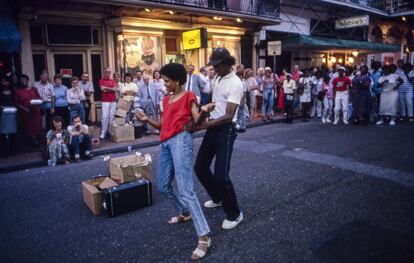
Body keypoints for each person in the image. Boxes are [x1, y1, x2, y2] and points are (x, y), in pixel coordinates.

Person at [136, 63, 214, 261]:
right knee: (163, 186)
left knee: (186, 190)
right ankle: (184, 212)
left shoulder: (189, 96)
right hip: (165, 143)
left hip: (181, 140)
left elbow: (196, 119)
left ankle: (204, 236)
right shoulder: (166, 99)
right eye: (163, 80)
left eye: (167, 81)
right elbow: (162, 124)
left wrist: (204, 109)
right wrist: (146, 119)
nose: (165, 84)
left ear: (178, 81)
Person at [194, 48, 244, 231]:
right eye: (213, 65)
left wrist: (205, 125)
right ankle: (218, 198)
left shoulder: (236, 83)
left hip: (225, 129)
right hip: (213, 126)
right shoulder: (218, 78)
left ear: (226, 64)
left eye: (217, 65)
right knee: (199, 167)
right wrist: (205, 109)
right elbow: (215, 100)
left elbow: (230, 115)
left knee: (221, 176)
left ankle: (235, 213)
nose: (214, 68)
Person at [15, 74, 42, 152]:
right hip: (26, 113)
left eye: (25, 79)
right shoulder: (18, 91)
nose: (23, 81)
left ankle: (40, 146)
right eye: (21, 80)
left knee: (38, 129)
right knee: (28, 130)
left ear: (27, 80)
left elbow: (39, 98)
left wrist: (38, 102)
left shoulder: (34, 89)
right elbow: (16, 103)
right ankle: (29, 148)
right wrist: (24, 109)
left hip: (36, 112)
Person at [0, 75, 18, 156]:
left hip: (12, 114)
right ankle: (4, 152)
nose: (5, 83)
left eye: (7, 81)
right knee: (3, 133)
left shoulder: (13, 92)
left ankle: (13, 150)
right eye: (3, 81)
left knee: (13, 133)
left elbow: (16, 102)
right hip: (3, 114)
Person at [99, 68, 117, 139]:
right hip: (105, 100)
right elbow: (102, 89)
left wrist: (107, 88)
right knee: (105, 117)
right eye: (106, 72)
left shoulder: (112, 81)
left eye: (109, 72)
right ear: (104, 72)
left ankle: (111, 131)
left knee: (112, 117)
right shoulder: (101, 80)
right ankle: (103, 132)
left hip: (113, 100)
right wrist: (111, 88)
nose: (108, 73)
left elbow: (115, 89)